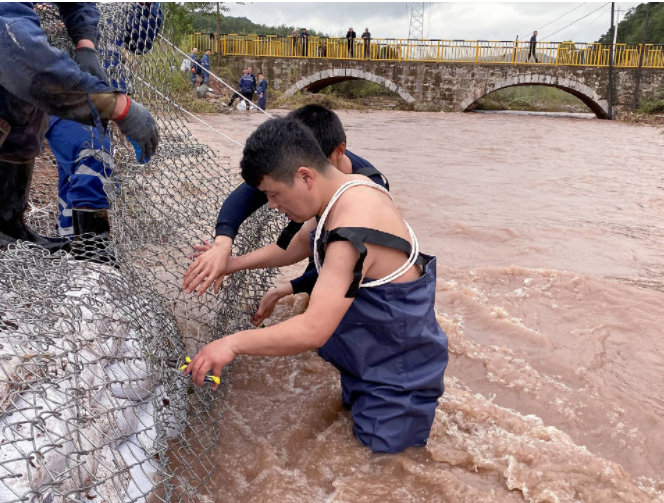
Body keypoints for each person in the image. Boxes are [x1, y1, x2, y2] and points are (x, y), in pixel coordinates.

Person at [184, 118, 449, 454]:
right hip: (368, 362)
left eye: (274, 194)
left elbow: (313, 329)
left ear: (305, 176)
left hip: (397, 380)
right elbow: (294, 248)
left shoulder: (353, 228)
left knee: (384, 469)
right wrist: (230, 263)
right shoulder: (346, 190)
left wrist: (230, 345)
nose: (272, 206)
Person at [184, 104, 389, 306]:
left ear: (337, 152)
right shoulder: (291, 164)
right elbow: (300, 241)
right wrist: (222, 246)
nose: (272, 204)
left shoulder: (367, 195)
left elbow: (334, 267)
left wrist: (291, 287)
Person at [0, 3, 159, 252]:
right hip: (58, 89)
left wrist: (86, 44)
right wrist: (116, 106)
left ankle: (32, 232)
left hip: (84, 96)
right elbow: (15, 48)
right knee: (90, 153)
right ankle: (91, 249)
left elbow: (139, 42)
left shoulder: (121, 9)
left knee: (76, 176)